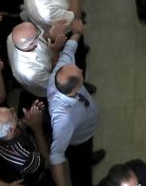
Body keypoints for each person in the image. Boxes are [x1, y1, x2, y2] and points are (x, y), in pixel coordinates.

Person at [47, 20, 106, 186]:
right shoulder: (63, 118)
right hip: (77, 140)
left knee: (86, 151)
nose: (80, 69)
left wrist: (77, 33)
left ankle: (89, 157)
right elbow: (56, 155)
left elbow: (68, 51)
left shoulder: (60, 73)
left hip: (85, 130)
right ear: (75, 87)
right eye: (80, 74)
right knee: (81, 167)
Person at [0, 102, 49, 183]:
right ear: (11, 129)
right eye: (11, 113)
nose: (13, 109)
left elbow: (13, 127)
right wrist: (37, 129)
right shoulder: (26, 157)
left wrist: (25, 120)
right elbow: (46, 163)